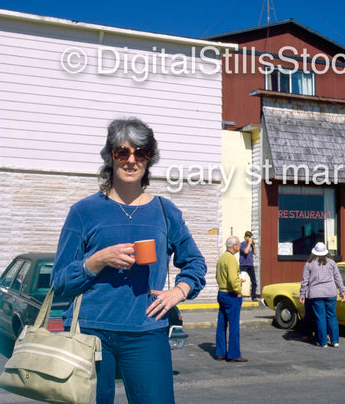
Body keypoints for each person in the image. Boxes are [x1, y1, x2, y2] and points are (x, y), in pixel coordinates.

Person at [51, 117, 207, 404]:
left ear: (149, 159)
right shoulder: (84, 211)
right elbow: (59, 282)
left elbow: (195, 263)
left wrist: (179, 291)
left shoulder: (164, 210)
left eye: (140, 153)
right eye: (122, 152)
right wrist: (96, 260)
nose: (131, 160)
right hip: (90, 332)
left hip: (146, 330)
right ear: (111, 157)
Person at [299, 242, 345, 348]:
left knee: (320, 318)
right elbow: (338, 278)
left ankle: (323, 342)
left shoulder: (309, 263)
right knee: (332, 316)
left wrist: (302, 295)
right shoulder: (331, 262)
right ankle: (335, 341)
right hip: (331, 292)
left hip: (315, 293)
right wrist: (342, 292)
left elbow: (304, 281)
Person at [215, 235, 248, 362]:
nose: (240, 246)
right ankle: (234, 354)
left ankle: (220, 352)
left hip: (222, 292)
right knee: (234, 325)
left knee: (222, 324)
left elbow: (220, 277)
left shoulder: (222, 258)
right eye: (239, 244)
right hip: (231, 294)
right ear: (234, 246)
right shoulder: (232, 259)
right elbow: (233, 278)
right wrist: (238, 290)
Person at [239, 230, 258, 300]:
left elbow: (255, 253)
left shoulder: (251, 245)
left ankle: (254, 296)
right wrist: (249, 243)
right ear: (245, 237)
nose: (250, 238)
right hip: (243, 264)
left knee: (254, 281)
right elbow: (246, 252)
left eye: (251, 237)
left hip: (250, 264)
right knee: (240, 281)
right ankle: (238, 295)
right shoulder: (242, 244)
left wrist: (254, 245)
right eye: (249, 237)